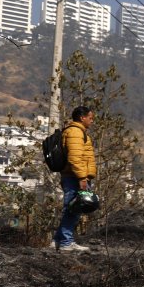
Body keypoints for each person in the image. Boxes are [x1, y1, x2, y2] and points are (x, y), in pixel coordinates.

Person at [52, 106, 96, 252]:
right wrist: (82, 178)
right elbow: (75, 158)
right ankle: (66, 242)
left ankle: (58, 240)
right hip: (74, 177)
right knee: (73, 209)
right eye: (90, 117)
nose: (92, 120)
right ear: (82, 117)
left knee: (71, 208)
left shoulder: (76, 132)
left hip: (73, 176)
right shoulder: (76, 133)